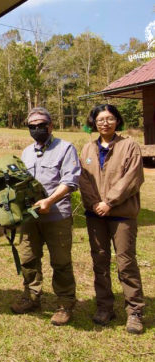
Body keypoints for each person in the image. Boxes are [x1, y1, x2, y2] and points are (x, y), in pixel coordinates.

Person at [10, 107, 81, 326]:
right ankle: (32, 298)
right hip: (30, 218)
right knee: (28, 258)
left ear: (50, 126)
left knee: (60, 262)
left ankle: (64, 304)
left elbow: (70, 182)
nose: (37, 129)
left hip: (56, 216)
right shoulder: (27, 152)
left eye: (41, 125)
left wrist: (49, 201)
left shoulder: (65, 148)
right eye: (32, 126)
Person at [79, 104, 145, 334]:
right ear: (93, 123)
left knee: (126, 262)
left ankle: (135, 311)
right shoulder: (87, 149)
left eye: (109, 118)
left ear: (117, 120)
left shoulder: (129, 146)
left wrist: (110, 202)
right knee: (100, 261)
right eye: (100, 119)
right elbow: (83, 180)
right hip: (95, 214)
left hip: (121, 214)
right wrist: (95, 203)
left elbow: (132, 178)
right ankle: (105, 307)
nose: (104, 123)